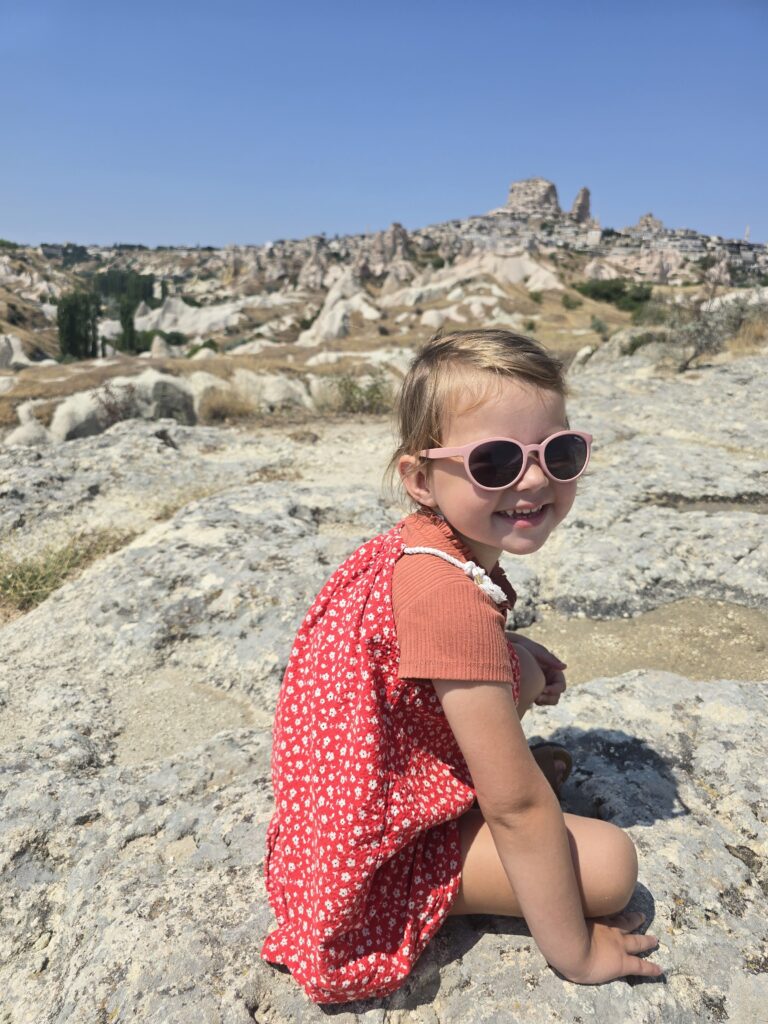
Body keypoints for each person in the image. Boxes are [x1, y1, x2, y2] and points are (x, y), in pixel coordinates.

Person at [261, 329, 662, 1003]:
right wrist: (577, 950)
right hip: (372, 865)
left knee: (520, 684)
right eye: (495, 462)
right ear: (420, 478)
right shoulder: (447, 597)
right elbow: (516, 807)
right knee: (612, 867)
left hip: (356, 803)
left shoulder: (424, 553)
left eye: (559, 454)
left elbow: (421, 663)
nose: (533, 480)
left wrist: (512, 660)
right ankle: (441, 869)